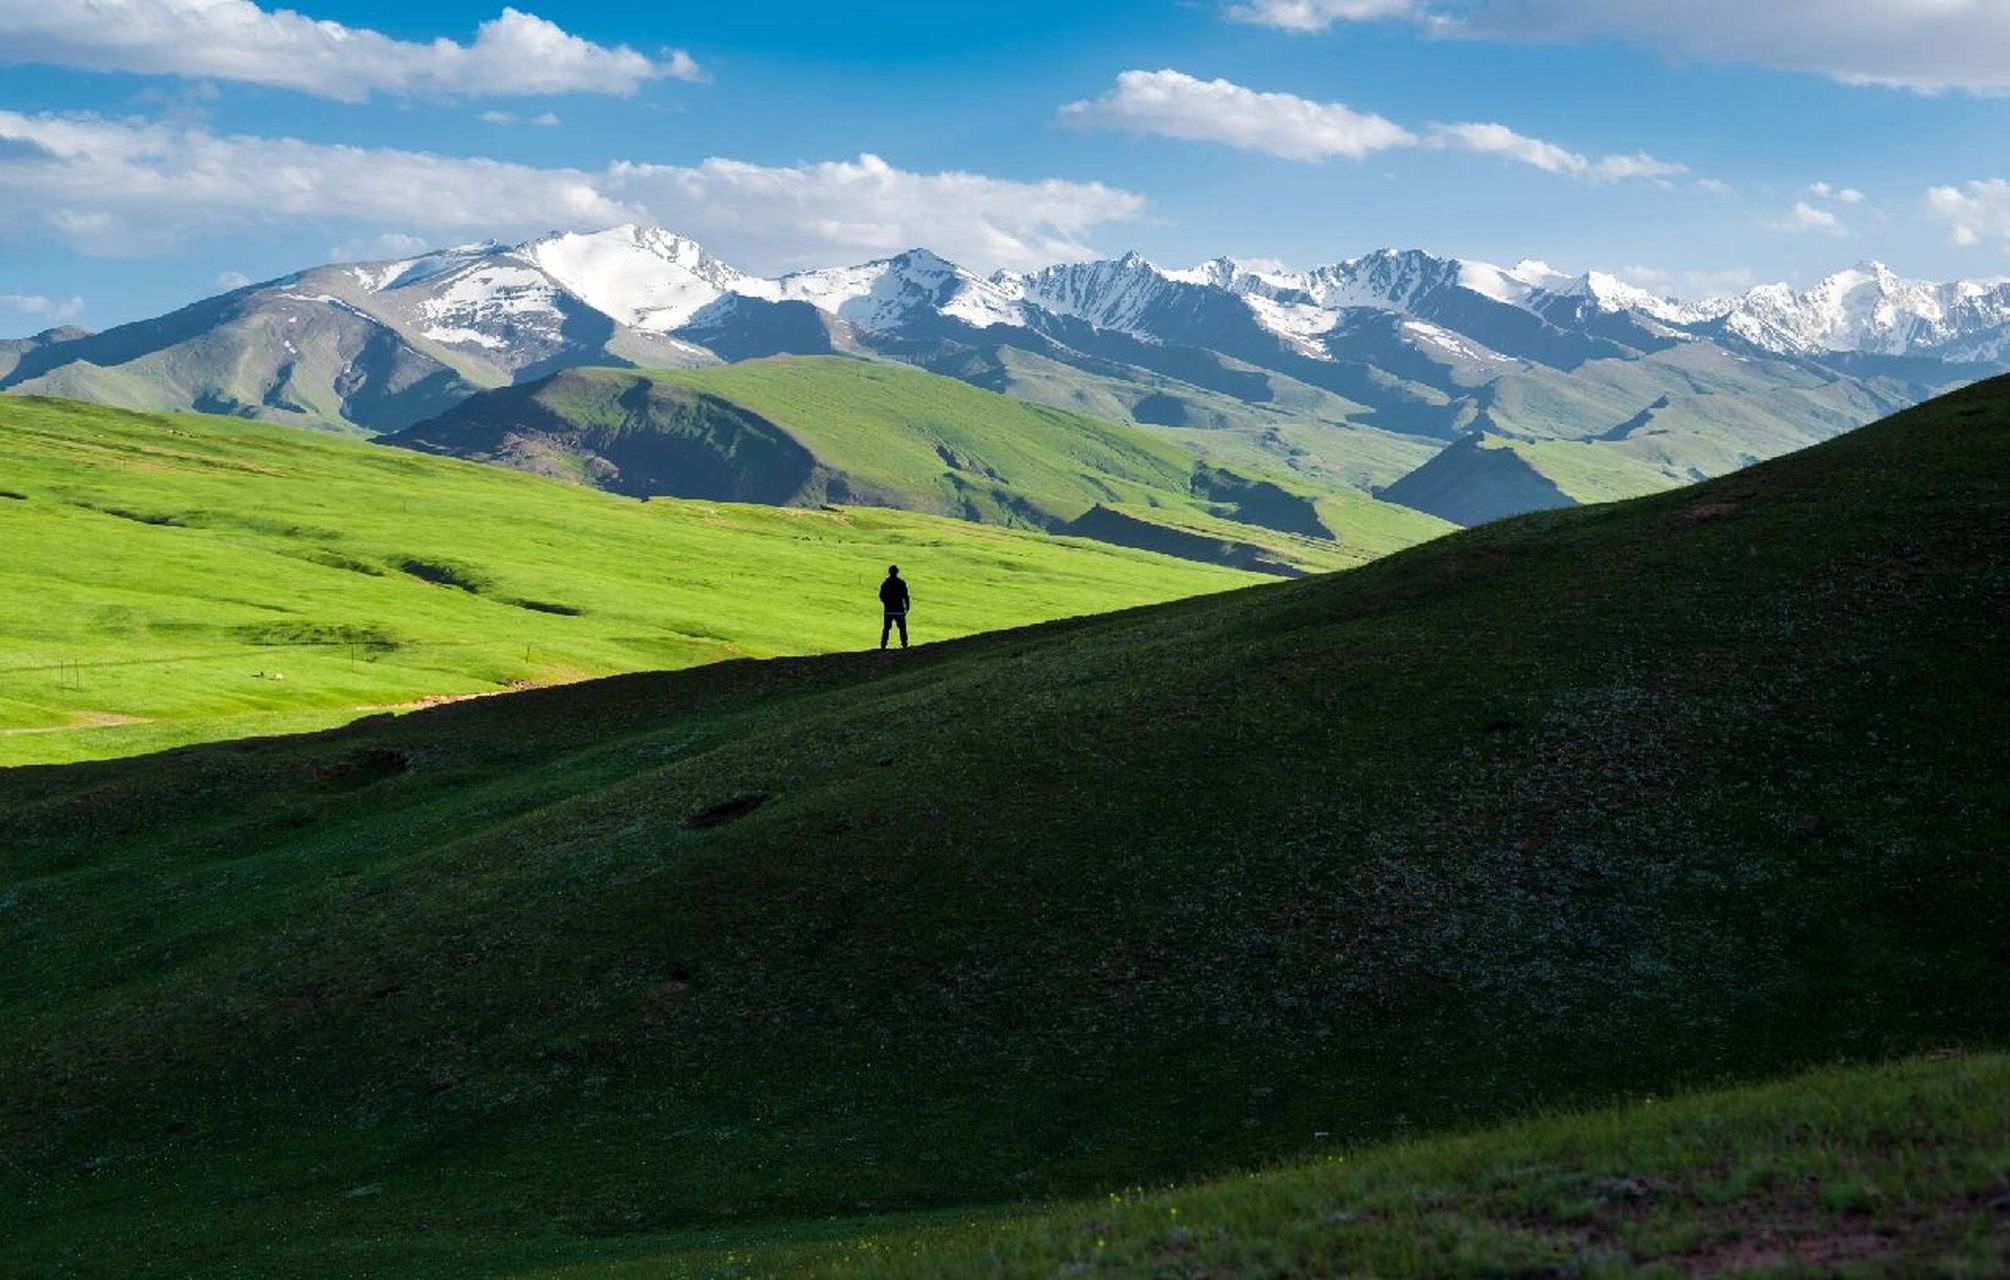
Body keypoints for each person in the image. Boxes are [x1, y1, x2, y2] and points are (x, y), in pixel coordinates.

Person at [879, 564, 911, 649]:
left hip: (889, 610)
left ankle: (883, 645)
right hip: (899, 609)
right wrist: (907, 606)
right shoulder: (901, 583)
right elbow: (906, 596)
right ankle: (904, 644)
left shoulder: (886, 583)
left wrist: (886, 602)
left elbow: (881, 596)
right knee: (902, 628)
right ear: (897, 572)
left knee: (886, 628)